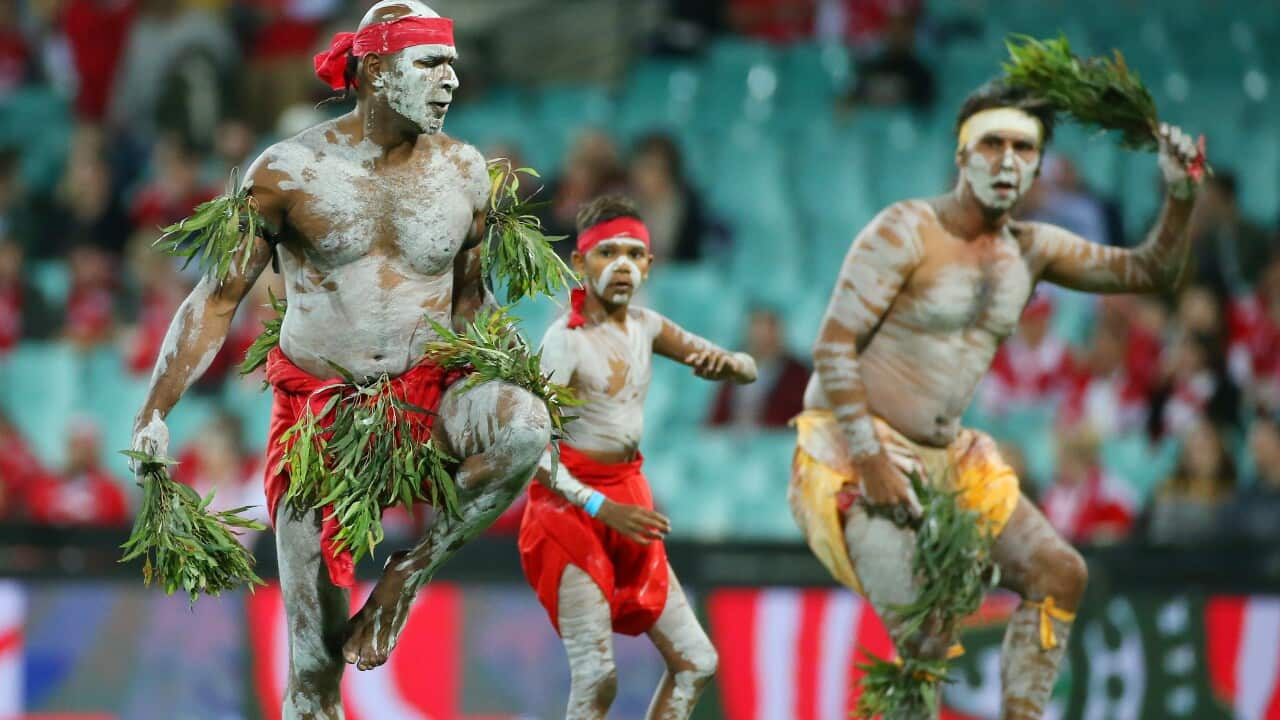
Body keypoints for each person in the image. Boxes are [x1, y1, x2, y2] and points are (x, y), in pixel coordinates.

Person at [128, 3, 553, 716]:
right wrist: (155, 411)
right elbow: (216, 297)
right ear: (377, 71)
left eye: (452, 63)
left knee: (527, 425)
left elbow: (470, 306)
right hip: (321, 421)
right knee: (315, 679)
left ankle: (406, 577)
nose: (451, 79)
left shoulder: (467, 172)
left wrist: (502, 363)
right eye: (431, 63)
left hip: (429, 400)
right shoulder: (287, 172)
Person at [789, 79, 1204, 718]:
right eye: (992, 145)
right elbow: (832, 348)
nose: (1007, 161)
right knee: (926, 629)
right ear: (961, 154)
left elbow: (1152, 271)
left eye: (1023, 148)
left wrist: (1178, 194)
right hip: (853, 447)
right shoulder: (905, 230)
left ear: (1038, 165)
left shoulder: (1031, 250)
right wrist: (870, 459)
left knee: (1059, 574)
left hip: (949, 458)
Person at [519, 195, 757, 719]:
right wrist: (600, 508)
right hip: (571, 512)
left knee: (696, 660)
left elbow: (713, 356)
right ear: (580, 264)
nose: (623, 265)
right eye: (607, 253)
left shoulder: (646, 326)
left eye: (634, 253)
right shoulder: (564, 345)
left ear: (649, 265)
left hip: (628, 497)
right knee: (596, 676)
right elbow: (531, 452)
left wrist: (733, 365)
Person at [708, 306, 808, 428]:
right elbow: (716, 418)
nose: (762, 334)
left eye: (768, 327)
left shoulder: (796, 373)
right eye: (757, 326)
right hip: (732, 441)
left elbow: (801, 418)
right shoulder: (731, 367)